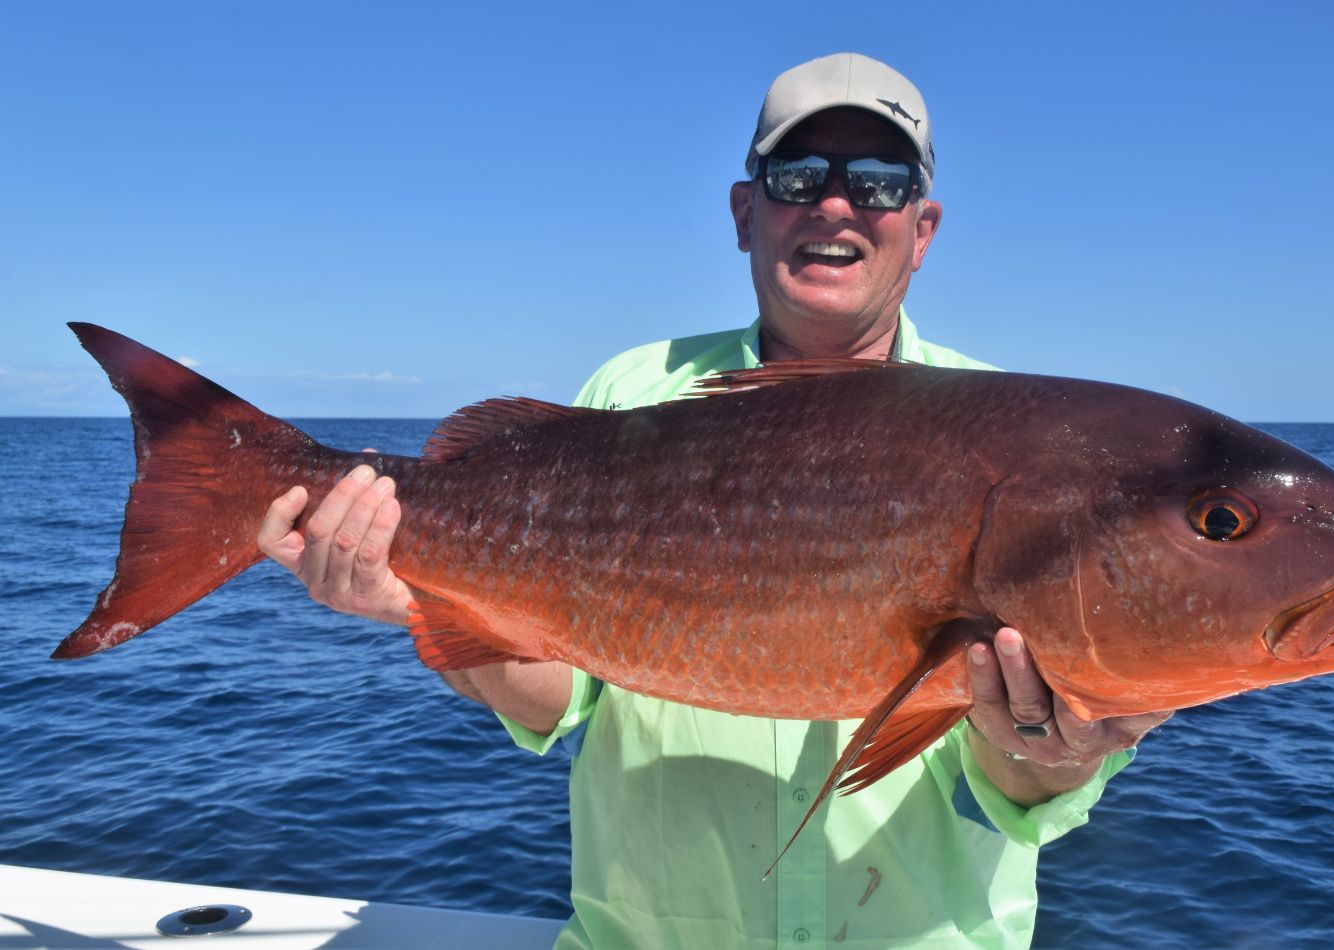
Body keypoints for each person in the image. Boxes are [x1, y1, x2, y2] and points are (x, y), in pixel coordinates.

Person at [257, 53, 1171, 949]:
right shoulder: (633, 390)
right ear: (746, 212)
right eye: (799, 174)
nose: (836, 204)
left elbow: (1004, 797)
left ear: (923, 228)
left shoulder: (1018, 440)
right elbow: (561, 700)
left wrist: (1057, 750)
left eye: (882, 182)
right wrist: (414, 597)